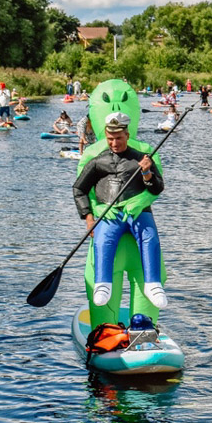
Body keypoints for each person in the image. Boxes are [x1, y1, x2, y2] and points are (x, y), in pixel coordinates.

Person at [72, 112, 167, 309]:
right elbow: (79, 189)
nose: (114, 143)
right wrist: (89, 217)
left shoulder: (142, 159)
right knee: (103, 238)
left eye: (118, 138)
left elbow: (157, 187)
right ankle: (102, 283)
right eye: (110, 139)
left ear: (127, 136)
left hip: (138, 212)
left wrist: (147, 173)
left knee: (149, 236)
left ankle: (153, 284)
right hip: (109, 213)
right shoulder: (98, 161)